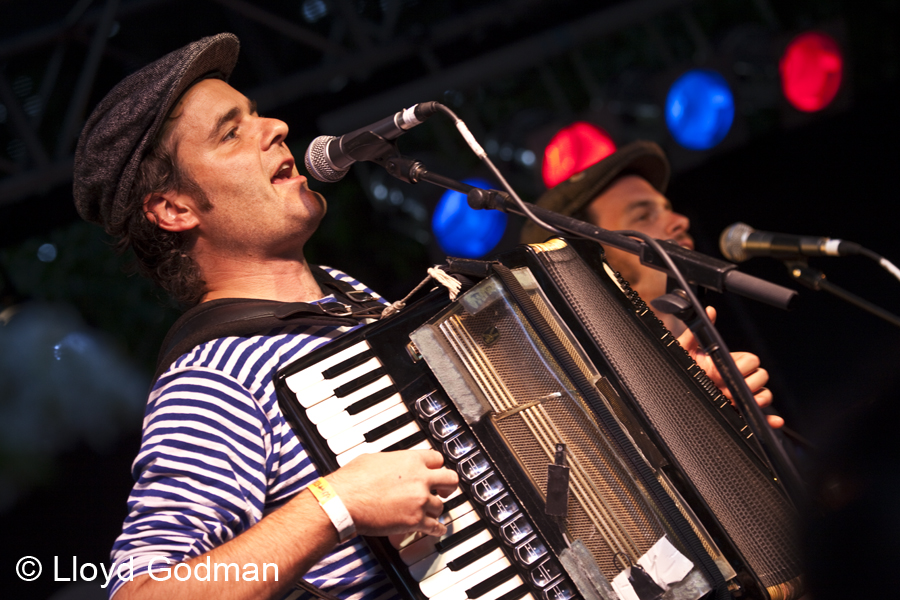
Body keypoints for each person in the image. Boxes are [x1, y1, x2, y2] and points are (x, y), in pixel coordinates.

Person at [73, 34, 780, 600]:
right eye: (231, 133)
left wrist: (678, 414)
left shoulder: (352, 304)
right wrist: (331, 508)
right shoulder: (212, 378)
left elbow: (543, 465)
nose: (276, 127)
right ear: (173, 209)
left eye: (258, 112)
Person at [519, 141, 782, 428]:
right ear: (588, 258)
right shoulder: (583, 401)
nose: (679, 221)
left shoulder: (718, 366)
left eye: (668, 208)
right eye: (644, 216)